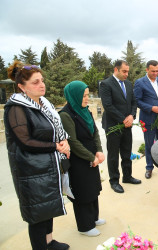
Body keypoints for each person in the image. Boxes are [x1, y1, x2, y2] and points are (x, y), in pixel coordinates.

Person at [4, 61, 70, 250]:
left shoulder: (44, 103)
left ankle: (49, 242)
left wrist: (64, 140)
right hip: (30, 170)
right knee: (37, 214)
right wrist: (56, 146)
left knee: (47, 208)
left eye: (42, 80)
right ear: (21, 87)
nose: (42, 85)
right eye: (35, 82)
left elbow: (55, 129)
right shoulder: (16, 108)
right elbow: (25, 141)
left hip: (47, 166)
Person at [59, 81, 105, 237]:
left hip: (91, 156)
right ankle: (85, 226)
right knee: (82, 191)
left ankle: (94, 217)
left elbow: (95, 132)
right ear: (75, 96)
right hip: (79, 159)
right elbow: (73, 142)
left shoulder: (85, 111)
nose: (87, 99)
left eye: (87, 95)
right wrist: (91, 157)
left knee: (93, 187)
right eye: (84, 96)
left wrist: (98, 151)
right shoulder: (66, 115)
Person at [100, 60, 140, 194]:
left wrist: (132, 116)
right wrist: (123, 119)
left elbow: (134, 102)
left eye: (127, 71)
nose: (126, 74)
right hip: (113, 126)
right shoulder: (106, 84)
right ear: (116, 70)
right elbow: (108, 105)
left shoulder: (128, 84)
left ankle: (127, 177)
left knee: (126, 153)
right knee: (113, 155)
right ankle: (114, 181)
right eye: (124, 71)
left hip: (127, 125)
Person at [134, 60, 158, 179]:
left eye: (157, 71)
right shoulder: (140, 83)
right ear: (147, 70)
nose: (155, 73)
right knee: (149, 144)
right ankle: (149, 167)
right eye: (153, 71)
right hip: (148, 118)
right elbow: (137, 101)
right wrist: (151, 108)